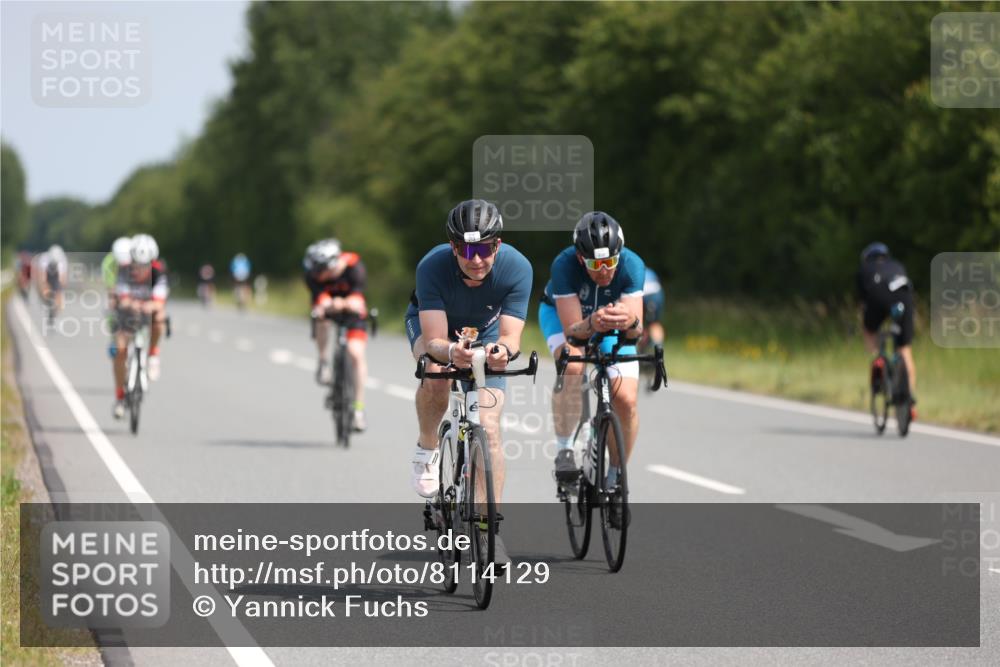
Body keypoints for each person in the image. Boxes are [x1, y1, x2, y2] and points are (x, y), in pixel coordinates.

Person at [406, 199, 531, 566]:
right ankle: (427, 448)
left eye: (484, 249)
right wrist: (450, 352)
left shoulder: (517, 267)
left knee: (488, 429)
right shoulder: (432, 266)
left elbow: (511, 337)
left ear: (498, 245)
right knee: (437, 375)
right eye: (466, 250)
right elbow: (434, 339)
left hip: (487, 332)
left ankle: (489, 531)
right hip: (437, 328)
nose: (476, 260)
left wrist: (502, 352)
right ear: (453, 247)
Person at [538, 212, 645, 489]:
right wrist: (591, 323)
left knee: (626, 400)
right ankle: (564, 450)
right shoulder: (563, 265)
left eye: (610, 262)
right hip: (565, 318)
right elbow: (573, 332)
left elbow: (635, 333)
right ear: (579, 258)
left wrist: (630, 321)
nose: (604, 271)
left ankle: (616, 473)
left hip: (608, 325)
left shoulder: (632, 265)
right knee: (573, 365)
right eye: (595, 264)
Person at [303, 239, 370, 432]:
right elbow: (319, 299)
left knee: (355, 353)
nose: (315, 275)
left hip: (352, 312)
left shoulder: (354, 267)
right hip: (328, 309)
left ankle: (358, 410)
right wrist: (328, 305)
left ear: (331, 265)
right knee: (321, 319)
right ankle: (323, 362)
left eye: (319, 270)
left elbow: (357, 298)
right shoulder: (311, 275)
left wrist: (344, 303)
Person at [857, 242, 917, 418]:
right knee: (905, 349)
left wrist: (869, 323)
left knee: (869, 330)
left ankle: (877, 358)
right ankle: (909, 401)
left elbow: (863, 301)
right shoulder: (898, 266)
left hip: (878, 295)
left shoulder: (864, 269)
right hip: (904, 297)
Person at [112, 234, 169, 419]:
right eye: (137, 264)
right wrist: (131, 304)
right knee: (120, 351)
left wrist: (149, 306)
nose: (140, 269)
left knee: (160, 318)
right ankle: (120, 397)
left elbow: (159, 301)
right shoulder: (123, 271)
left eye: (145, 265)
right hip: (128, 312)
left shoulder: (159, 272)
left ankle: (153, 354)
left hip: (148, 311)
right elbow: (122, 298)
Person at [101, 237, 133, 357]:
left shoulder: (136, 260)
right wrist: (115, 301)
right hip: (116, 287)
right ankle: (114, 337)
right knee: (111, 308)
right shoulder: (108, 263)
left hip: (132, 287)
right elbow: (111, 288)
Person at [38, 245, 68, 320]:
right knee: (44, 287)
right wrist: (44, 286)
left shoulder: (62, 260)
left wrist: (60, 289)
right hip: (47, 273)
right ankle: (47, 301)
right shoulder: (44, 258)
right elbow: (42, 275)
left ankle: (55, 309)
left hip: (57, 275)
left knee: (59, 290)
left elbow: (63, 277)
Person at [641, 267, 665, 348]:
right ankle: (658, 349)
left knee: (639, 322)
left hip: (642, 293)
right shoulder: (649, 271)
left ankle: (643, 348)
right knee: (654, 323)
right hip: (656, 292)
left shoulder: (631, 269)